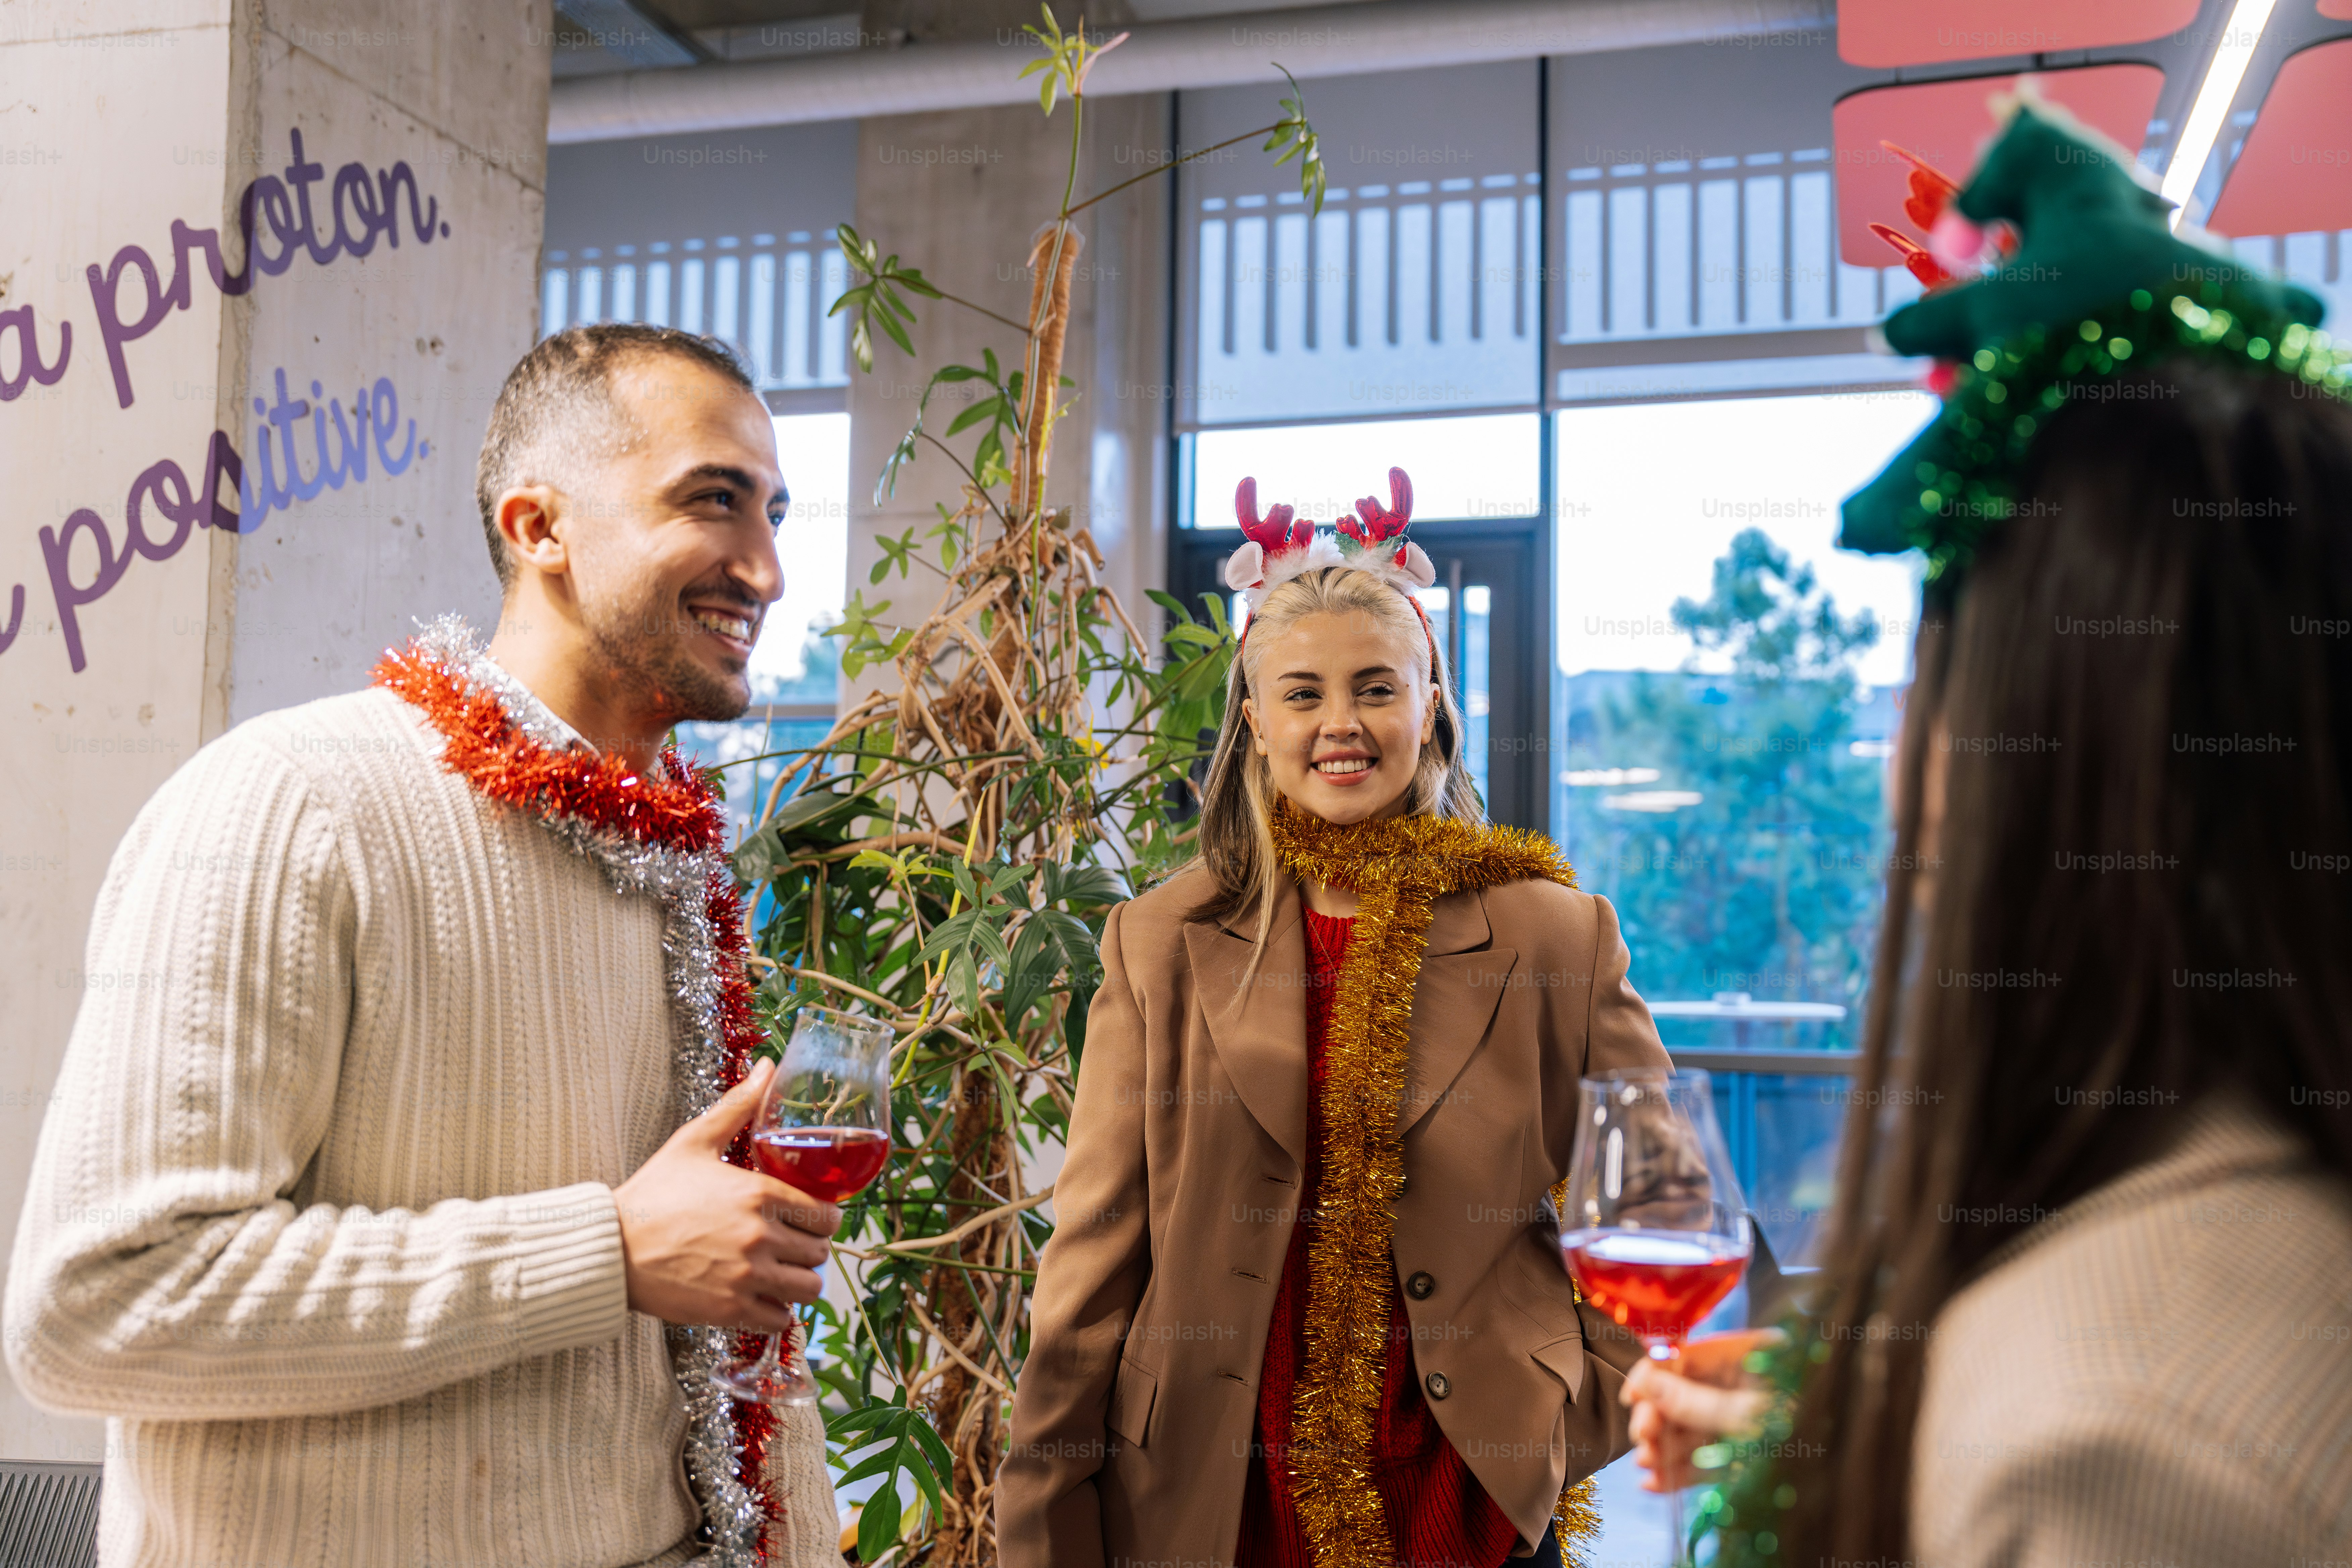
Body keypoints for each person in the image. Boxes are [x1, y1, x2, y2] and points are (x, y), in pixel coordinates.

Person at [1621, 102, 2352, 1566]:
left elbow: (2133, 1410)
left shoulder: (2116, 1447)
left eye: (1932, 670)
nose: (1901, 758)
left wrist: (1997, 1412)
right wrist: (1892, 1402)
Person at [5, 324, 846, 1568]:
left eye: (773, 510)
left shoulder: (678, 860)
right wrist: (602, 1250)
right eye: (713, 501)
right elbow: (98, 1304)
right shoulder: (292, 802)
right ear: (539, 527)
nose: (767, 568)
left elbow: (721, 1340)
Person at [997, 469, 1672, 1567]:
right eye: (1303, 695)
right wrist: (1041, 1520)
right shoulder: (1160, 943)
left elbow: (1654, 1205)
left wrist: (1565, 1410)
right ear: (1256, 724)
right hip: (1207, 1498)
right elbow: (1091, 1265)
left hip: (1468, 1497)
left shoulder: (1556, 935)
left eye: (1375, 687)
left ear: (1431, 705)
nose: (1340, 725)